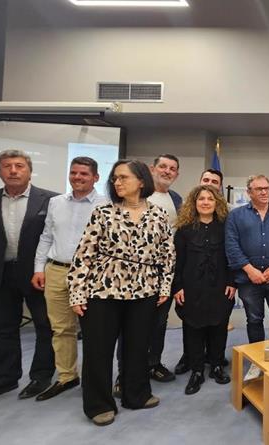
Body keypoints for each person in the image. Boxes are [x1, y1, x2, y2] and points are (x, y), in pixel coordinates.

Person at [68, 159, 175, 426]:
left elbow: (168, 255)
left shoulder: (159, 214)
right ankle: (99, 404)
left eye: (123, 177)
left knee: (138, 347)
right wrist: (77, 292)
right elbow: (84, 254)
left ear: (141, 181)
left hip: (145, 291)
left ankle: (136, 394)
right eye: (115, 178)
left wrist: (164, 287)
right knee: (98, 350)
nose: (117, 182)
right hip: (103, 291)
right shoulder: (103, 212)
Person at [31, 157, 107, 401]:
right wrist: (39, 269)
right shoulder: (55, 202)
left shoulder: (106, 205)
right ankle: (67, 376)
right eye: (74, 172)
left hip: (91, 276)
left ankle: (94, 380)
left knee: (94, 331)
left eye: (84, 173)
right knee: (61, 329)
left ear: (95, 177)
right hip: (56, 270)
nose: (77, 177)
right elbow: (46, 237)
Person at [0, 150, 58, 400]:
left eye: (19, 165)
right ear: (0, 171)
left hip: (37, 274)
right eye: (7, 166)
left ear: (30, 171)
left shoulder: (50, 200)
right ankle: (4, 378)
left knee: (44, 325)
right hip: (0, 274)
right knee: (2, 327)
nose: (13, 170)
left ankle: (41, 376)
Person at [173, 186, 235, 395]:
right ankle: (197, 370)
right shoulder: (184, 229)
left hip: (220, 286)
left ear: (217, 203)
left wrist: (232, 282)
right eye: (201, 199)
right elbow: (177, 262)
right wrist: (178, 287)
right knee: (194, 328)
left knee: (219, 326)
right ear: (194, 203)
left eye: (210, 199)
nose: (206, 202)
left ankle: (216, 366)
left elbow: (232, 257)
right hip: (192, 287)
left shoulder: (226, 227)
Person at [225, 175, 269, 350]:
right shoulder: (235, 216)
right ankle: (257, 357)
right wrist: (250, 270)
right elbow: (232, 246)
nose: (263, 192)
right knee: (254, 319)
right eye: (258, 189)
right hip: (249, 279)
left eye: (266, 188)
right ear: (249, 192)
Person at [146, 154, 182, 383]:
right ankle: (127, 371)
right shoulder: (139, 194)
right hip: (137, 273)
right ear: (152, 169)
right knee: (133, 324)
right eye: (163, 166)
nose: (167, 171)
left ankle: (154, 364)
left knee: (160, 322)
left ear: (176, 174)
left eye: (172, 168)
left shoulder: (176, 199)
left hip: (166, 272)